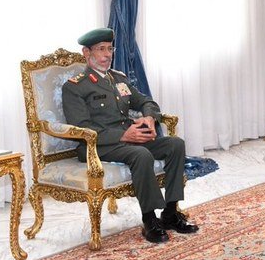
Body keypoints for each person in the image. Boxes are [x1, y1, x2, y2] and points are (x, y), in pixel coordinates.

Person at [62, 28, 199, 243]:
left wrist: (149, 118)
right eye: (101, 49)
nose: (107, 54)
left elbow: (146, 101)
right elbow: (82, 128)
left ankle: (171, 213)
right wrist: (124, 135)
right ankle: (149, 220)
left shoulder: (119, 79)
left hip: (130, 138)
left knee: (175, 144)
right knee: (141, 154)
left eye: (110, 49)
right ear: (87, 53)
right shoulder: (76, 87)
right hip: (99, 146)